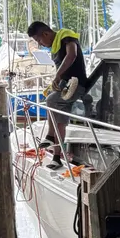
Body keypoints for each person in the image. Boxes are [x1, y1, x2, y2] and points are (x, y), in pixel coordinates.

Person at [27, 21, 87, 170]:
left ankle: (49, 135)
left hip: (76, 83)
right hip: (65, 85)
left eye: (39, 40)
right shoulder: (55, 46)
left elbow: (72, 55)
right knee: (59, 121)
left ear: (46, 34)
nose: (40, 44)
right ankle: (56, 157)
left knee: (51, 100)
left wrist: (58, 75)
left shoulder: (65, 36)